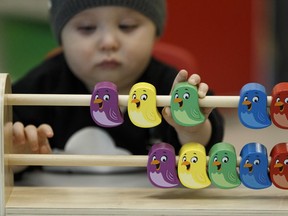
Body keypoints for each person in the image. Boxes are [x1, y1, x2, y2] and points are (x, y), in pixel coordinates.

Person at [12, 0, 224, 175]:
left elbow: (205, 149)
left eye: (127, 26)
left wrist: (192, 129)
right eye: (87, 28)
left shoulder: (169, 87)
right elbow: (10, 148)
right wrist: (13, 153)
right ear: (61, 38)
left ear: (155, 33)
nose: (109, 42)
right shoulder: (41, 86)